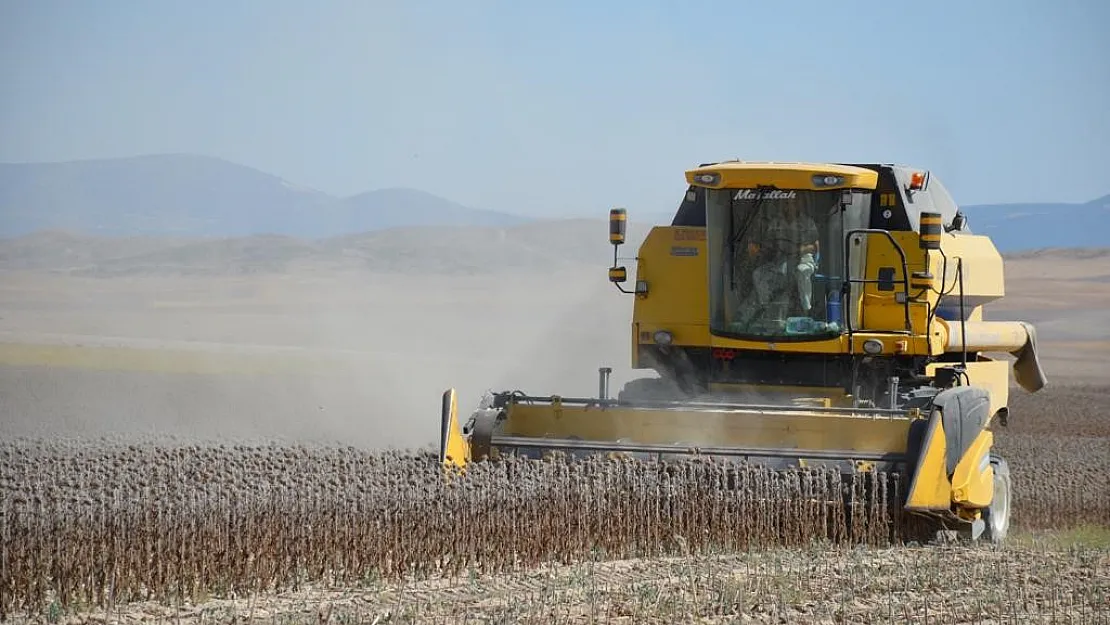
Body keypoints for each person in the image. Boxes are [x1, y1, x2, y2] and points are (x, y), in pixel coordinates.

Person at [749, 201, 820, 313]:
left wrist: (800, 250)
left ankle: (806, 309)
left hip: (803, 258)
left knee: (802, 271)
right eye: (786, 203)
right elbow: (769, 242)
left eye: (792, 203)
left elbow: (815, 246)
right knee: (758, 274)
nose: (789, 206)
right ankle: (766, 307)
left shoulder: (807, 222)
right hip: (779, 259)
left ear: (798, 205)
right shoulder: (776, 222)